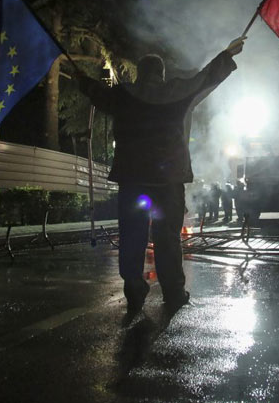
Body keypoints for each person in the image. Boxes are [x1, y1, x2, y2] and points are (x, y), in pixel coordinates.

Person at [80, 36, 246, 313]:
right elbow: (206, 78)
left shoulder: (123, 95)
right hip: (168, 180)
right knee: (167, 237)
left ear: (140, 72)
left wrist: (79, 76)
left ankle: (133, 287)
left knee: (132, 234)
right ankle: (173, 291)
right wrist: (227, 54)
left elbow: (97, 93)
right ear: (162, 74)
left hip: (132, 178)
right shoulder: (178, 92)